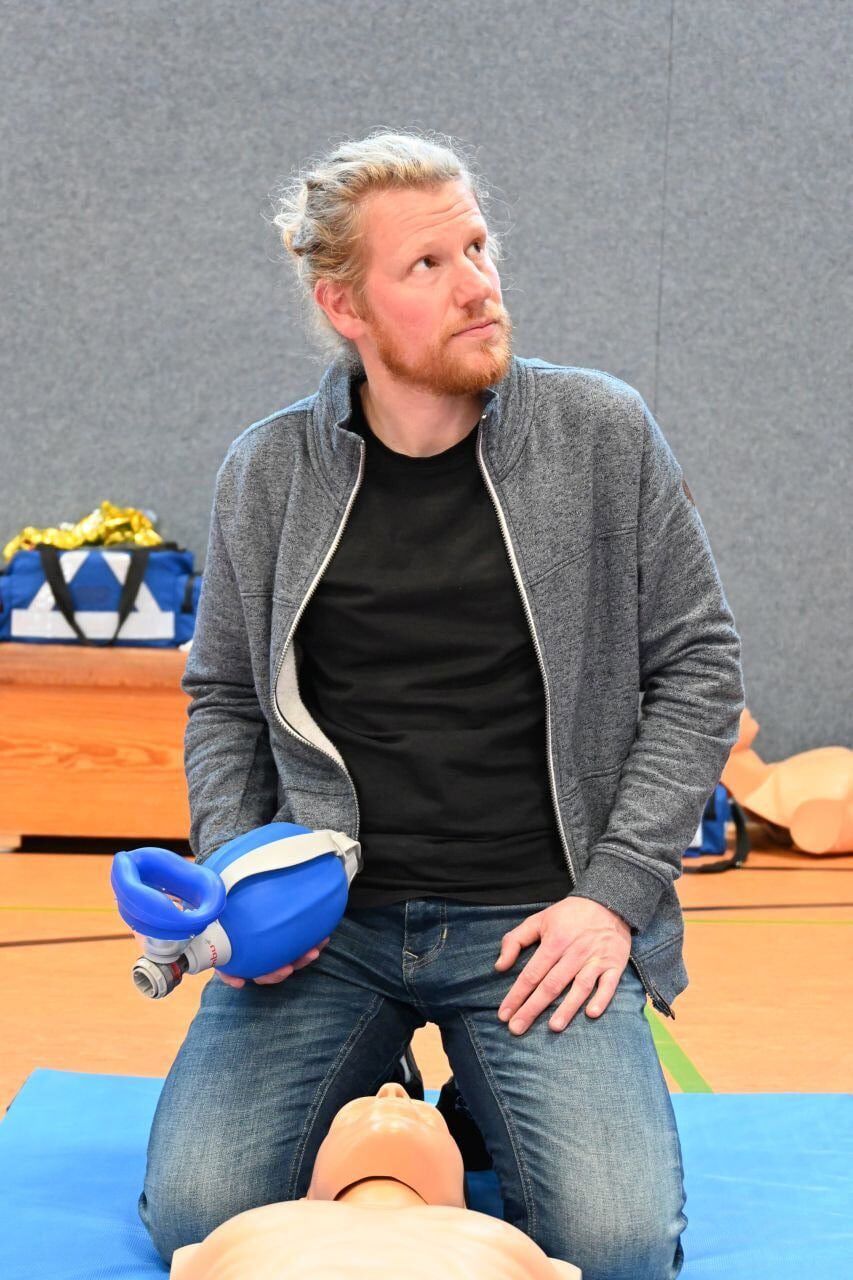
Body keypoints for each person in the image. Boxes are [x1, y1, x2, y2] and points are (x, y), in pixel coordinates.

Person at [138, 129, 744, 1280]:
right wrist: (242, 881)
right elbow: (222, 697)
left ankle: (470, 1107)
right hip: (331, 928)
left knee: (614, 1247)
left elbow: (700, 667)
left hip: (538, 918)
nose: (477, 283)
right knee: (199, 1214)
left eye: (477, 245)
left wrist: (612, 898)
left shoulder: (601, 433)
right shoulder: (268, 471)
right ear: (344, 306)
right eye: (427, 263)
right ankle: (388, 1085)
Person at [170, 1082, 581, 1278]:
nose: (392, 1093)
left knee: (600, 1240)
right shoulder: (499, 1241)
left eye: (430, 1121)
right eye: (351, 1114)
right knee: (191, 1206)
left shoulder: (250, 1229)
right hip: (329, 953)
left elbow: (189, 1265)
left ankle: (477, 1082)